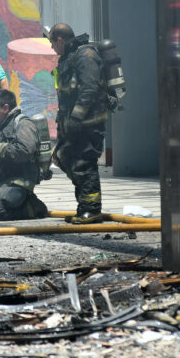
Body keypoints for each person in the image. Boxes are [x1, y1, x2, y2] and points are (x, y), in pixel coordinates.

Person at [48, 23, 108, 224]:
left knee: (84, 164)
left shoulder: (86, 56)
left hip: (88, 124)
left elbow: (89, 90)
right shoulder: (68, 58)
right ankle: (83, 207)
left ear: (60, 40)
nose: (52, 48)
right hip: (73, 124)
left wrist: (76, 117)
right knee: (66, 159)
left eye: (52, 43)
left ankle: (92, 210)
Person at [0, 89, 48, 220]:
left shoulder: (23, 124)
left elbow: (24, 150)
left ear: (6, 108)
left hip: (19, 181)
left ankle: (32, 208)